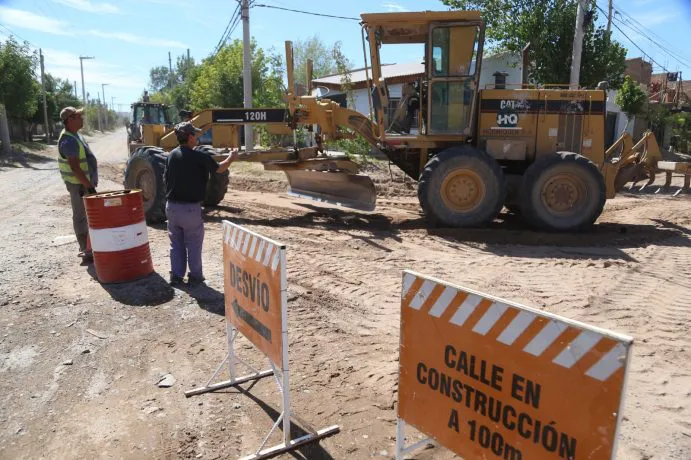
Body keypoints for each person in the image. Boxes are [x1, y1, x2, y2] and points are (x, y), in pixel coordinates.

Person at [164, 122, 237, 286]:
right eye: (195, 135)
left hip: (172, 207)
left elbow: (165, 179)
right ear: (190, 137)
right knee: (194, 245)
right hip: (190, 209)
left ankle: (176, 276)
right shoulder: (198, 156)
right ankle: (195, 277)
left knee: (176, 244)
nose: (197, 137)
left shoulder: (171, 155)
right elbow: (219, 169)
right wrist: (231, 158)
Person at [57, 106, 98, 262]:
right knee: (81, 217)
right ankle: (85, 250)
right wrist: (88, 185)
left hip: (83, 184)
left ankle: (91, 247)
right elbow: (74, 167)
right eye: (78, 116)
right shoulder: (68, 140)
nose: (82, 118)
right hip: (79, 185)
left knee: (89, 216)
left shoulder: (75, 135)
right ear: (70, 120)